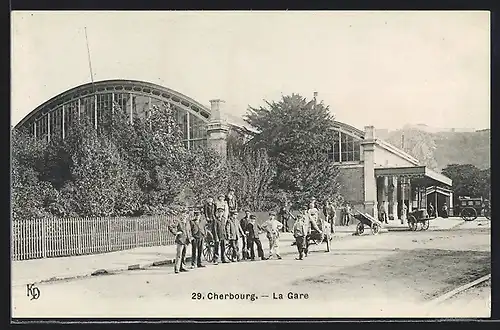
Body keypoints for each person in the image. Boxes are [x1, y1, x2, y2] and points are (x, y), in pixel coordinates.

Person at [213, 195, 229, 264]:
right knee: (216, 248)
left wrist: (226, 235)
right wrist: (216, 237)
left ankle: (223, 258)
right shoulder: (216, 220)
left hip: (222, 235)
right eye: (219, 213)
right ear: (217, 213)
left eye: (222, 213)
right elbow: (215, 229)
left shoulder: (223, 219)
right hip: (217, 236)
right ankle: (215, 259)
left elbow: (224, 228)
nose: (220, 214)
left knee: (223, 248)